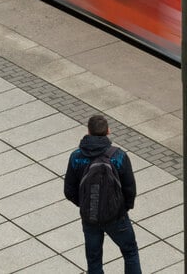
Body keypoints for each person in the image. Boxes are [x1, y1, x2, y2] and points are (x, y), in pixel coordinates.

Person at [64, 114, 140, 274]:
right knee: (130, 252)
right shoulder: (118, 156)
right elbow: (130, 189)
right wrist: (121, 208)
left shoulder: (76, 157)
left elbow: (69, 190)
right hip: (116, 216)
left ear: (88, 132)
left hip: (89, 217)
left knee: (94, 260)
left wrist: (86, 203)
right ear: (108, 131)